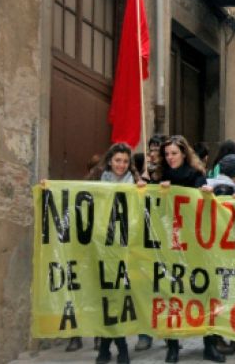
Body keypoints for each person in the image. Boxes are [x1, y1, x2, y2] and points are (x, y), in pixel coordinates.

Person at [153, 136, 224, 363]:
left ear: (184, 153)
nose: (170, 158)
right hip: (170, 244)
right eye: (167, 154)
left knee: (204, 291)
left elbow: (203, 207)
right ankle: (172, 346)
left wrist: (204, 193)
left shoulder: (196, 176)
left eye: (174, 153)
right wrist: (155, 190)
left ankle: (209, 343)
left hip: (195, 244)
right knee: (171, 292)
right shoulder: (160, 177)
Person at [85, 143, 143, 364]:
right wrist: (50, 187)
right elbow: (73, 192)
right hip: (101, 246)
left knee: (118, 297)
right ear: (110, 161)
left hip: (125, 248)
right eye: (118, 160)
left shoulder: (135, 185)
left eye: (126, 161)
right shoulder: (98, 181)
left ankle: (109, 349)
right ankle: (119, 347)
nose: (121, 165)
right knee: (106, 297)